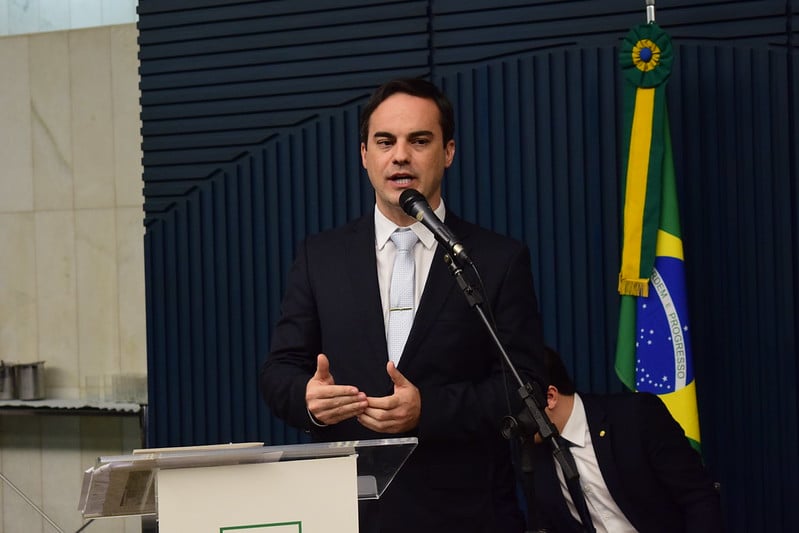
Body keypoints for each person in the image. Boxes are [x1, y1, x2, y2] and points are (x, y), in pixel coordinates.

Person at [259, 77, 546, 532]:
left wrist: (427, 409)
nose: (400, 156)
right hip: (347, 511)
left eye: (419, 140)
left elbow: (525, 385)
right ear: (364, 155)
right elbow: (279, 372)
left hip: (466, 514)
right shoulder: (321, 256)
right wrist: (309, 400)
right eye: (385, 141)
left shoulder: (495, 259)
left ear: (448, 152)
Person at [530, 347, 724, 532]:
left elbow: (698, 498)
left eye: (514, 410)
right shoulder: (531, 456)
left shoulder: (636, 418)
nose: (510, 423)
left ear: (550, 397)